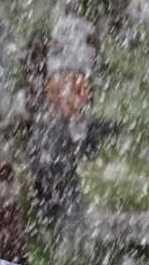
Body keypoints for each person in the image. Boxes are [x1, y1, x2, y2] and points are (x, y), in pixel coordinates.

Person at [26, 69, 119, 228]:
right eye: (77, 93)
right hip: (53, 189)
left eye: (83, 93)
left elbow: (86, 147)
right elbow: (82, 149)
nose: (83, 99)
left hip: (60, 186)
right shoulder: (51, 126)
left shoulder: (61, 122)